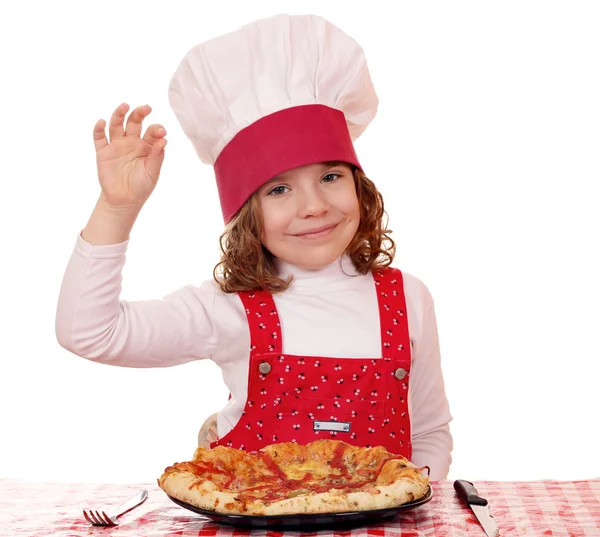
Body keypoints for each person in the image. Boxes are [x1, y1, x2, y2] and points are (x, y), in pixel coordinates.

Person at [55, 13, 453, 480]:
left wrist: (409, 500)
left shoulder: (409, 299)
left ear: (359, 187)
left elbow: (428, 433)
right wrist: (117, 208)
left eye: (330, 176)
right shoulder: (226, 309)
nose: (313, 206)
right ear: (245, 214)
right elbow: (88, 333)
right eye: (279, 190)